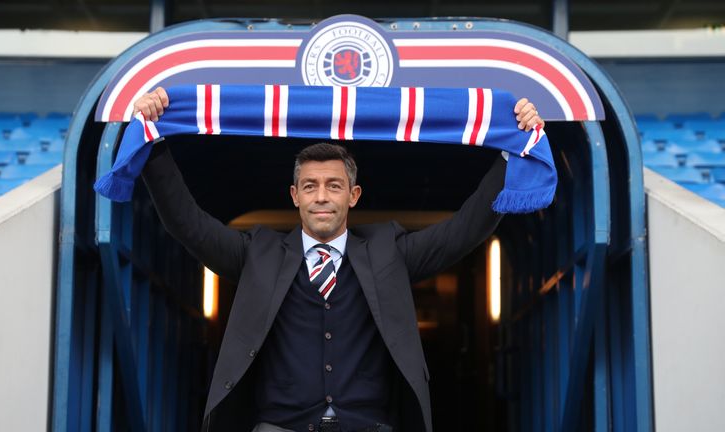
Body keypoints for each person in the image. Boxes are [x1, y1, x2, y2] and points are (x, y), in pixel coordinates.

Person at [135, 87, 544, 432]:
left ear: (354, 195)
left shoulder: (390, 253)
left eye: (334, 185)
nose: (321, 196)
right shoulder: (256, 253)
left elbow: (464, 230)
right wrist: (154, 143)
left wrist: (510, 150)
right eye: (309, 186)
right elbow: (187, 223)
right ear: (295, 197)